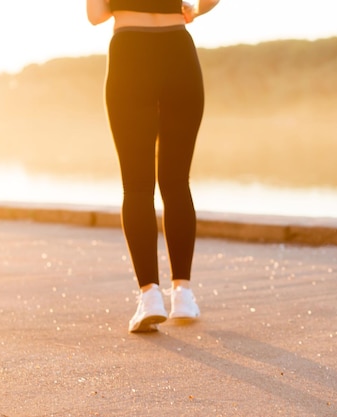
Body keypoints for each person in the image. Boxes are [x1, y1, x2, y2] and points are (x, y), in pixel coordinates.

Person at [86, 0, 220, 333]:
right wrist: (195, 9)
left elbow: (95, 15)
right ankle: (183, 294)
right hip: (178, 49)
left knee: (137, 185)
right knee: (177, 182)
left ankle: (150, 297)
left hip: (130, 51)